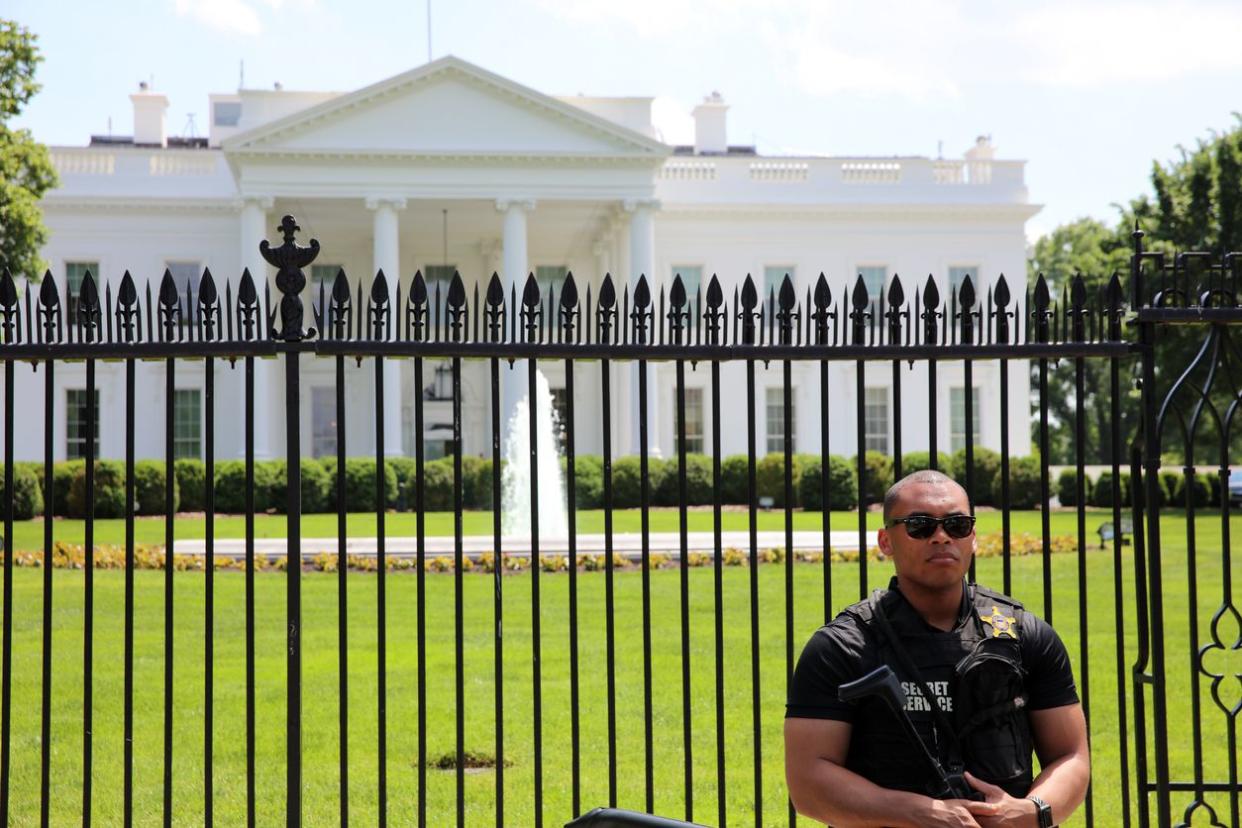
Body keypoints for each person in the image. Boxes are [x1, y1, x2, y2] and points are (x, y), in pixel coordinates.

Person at [784, 470, 1090, 827]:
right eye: (920, 525)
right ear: (885, 541)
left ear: (972, 538)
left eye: (957, 525)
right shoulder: (842, 646)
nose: (941, 537)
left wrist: (1032, 811)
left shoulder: (1024, 635)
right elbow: (808, 781)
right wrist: (919, 813)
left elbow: (1070, 755)